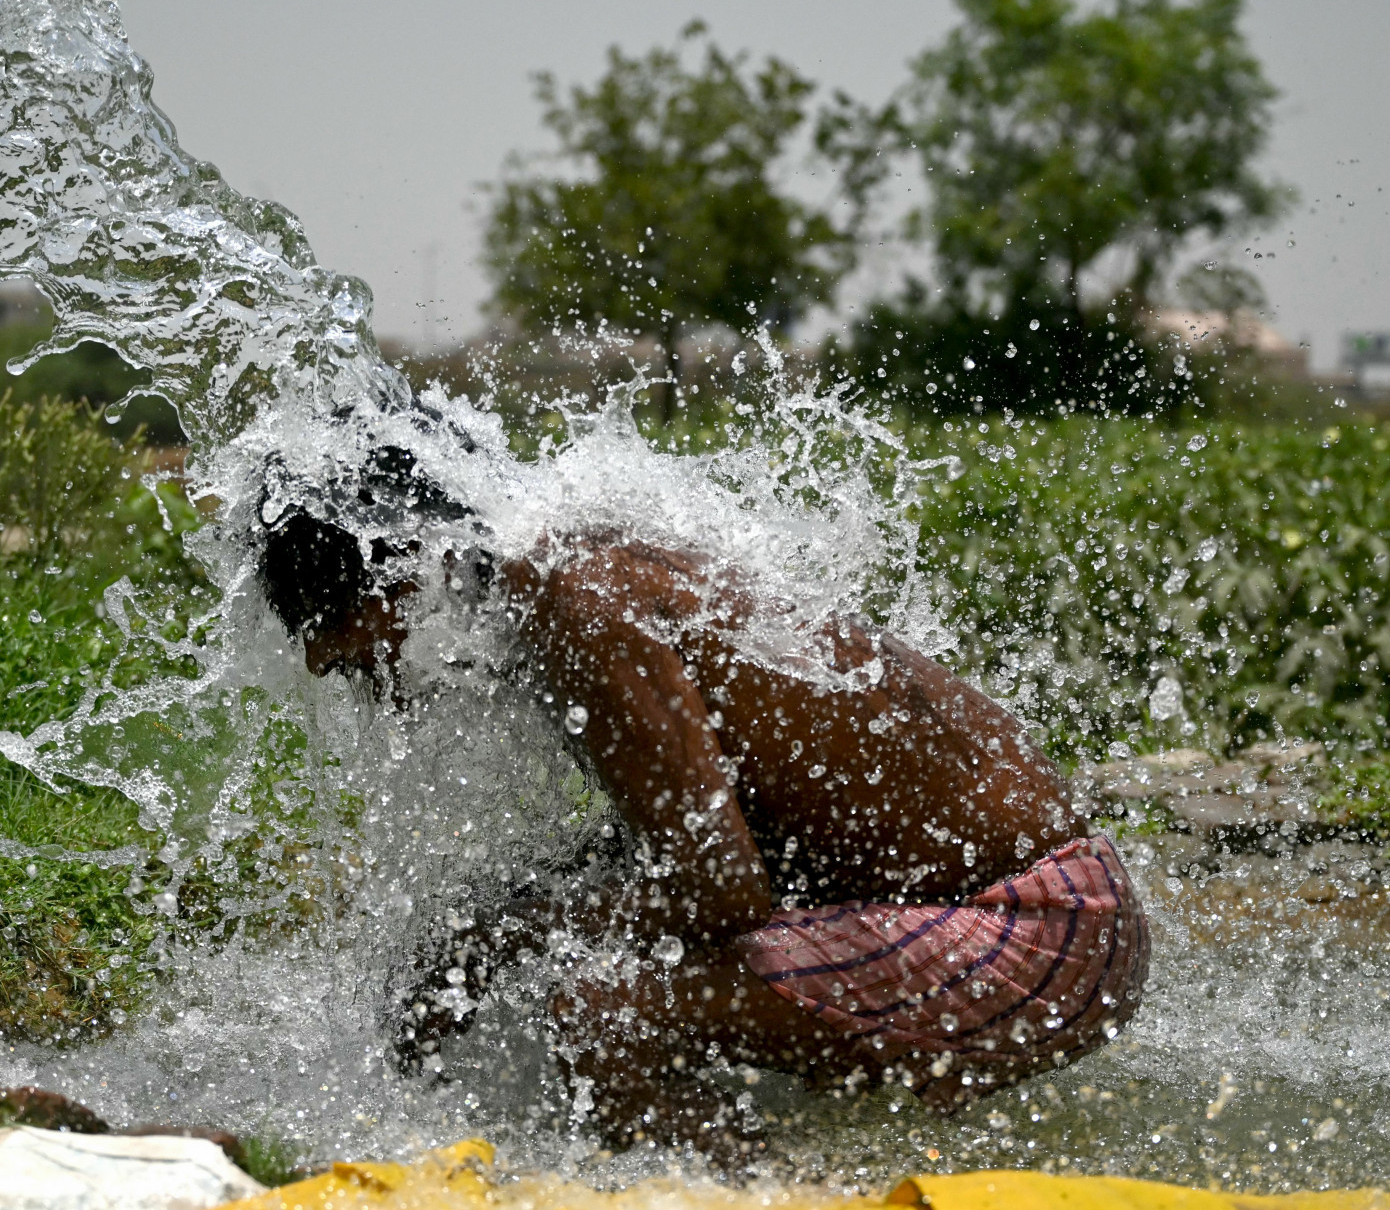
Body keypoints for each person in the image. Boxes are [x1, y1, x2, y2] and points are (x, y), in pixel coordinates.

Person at [253, 450, 1149, 1160]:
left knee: (605, 1012)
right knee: (568, 934)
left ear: (404, 573)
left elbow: (723, 893)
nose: (320, 663)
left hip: (1045, 931)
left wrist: (503, 938)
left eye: (322, 623)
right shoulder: (574, 565)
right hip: (1031, 899)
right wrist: (498, 925)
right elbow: (699, 842)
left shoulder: (577, 605)